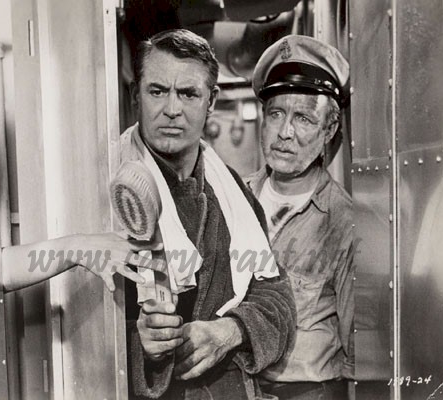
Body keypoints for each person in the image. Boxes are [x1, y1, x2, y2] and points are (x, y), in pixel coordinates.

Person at [121, 29, 296, 399]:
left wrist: (231, 331)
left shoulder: (232, 192)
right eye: (157, 91)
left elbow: (277, 299)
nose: (172, 109)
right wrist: (140, 343)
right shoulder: (108, 188)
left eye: (188, 94)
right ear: (136, 95)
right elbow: (77, 324)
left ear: (211, 101)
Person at [246, 35, 354, 399]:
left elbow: (357, 351)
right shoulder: (234, 198)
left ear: (329, 130)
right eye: (276, 114)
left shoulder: (343, 221)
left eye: (304, 118)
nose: (285, 133)